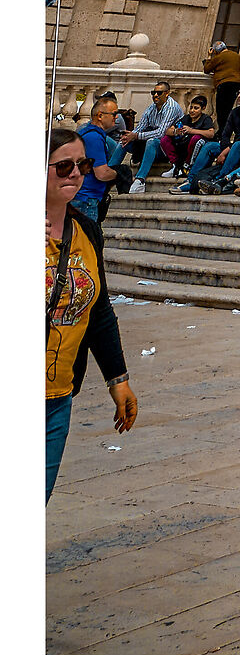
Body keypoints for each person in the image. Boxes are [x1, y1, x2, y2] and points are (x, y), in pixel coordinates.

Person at [46, 125, 137, 500]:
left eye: (81, 165)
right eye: (63, 167)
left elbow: (98, 310)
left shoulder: (85, 229)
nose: (77, 174)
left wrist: (118, 378)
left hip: (57, 396)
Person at [186, 84, 240, 192]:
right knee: (210, 146)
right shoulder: (235, 112)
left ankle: (219, 179)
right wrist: (225, 147)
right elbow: (225, 133)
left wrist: (225, 151)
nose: (239, 96)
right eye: (238, 93)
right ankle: (191, 180)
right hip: (233, 146)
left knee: (238, 145)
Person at [120, 83, 184, 191]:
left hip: (168, 147)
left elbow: (161, 133)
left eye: (159, 93)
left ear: (167, 93)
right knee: (123, 141)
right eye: (153, 93)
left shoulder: (171, 107)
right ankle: (109, 172)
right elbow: (141, 126)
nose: (155, 95)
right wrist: (130, 136)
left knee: (152, 141)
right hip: (151, 146)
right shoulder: (151, 108)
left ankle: (140, 179)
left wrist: (136, 136)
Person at [149, 92, 216, 183]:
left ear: (203, 108)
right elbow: (168, 131)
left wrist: (191, 131)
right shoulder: (185, 118)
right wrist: (176, 132)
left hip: (195, 150)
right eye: (191, 107)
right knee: (165, 139)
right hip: (182, 145)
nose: (192, 110)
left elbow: (211, 133)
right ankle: (175, 166)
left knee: (196, 138)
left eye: (196, 108)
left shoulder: (205, 119)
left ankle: (187, 166)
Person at [202, 37, 240, 130]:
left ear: (216, 50)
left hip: (224, 84)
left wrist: (209, 56)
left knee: (221, 111)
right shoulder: (236, 55)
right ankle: (227, 131)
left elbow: (207, 69)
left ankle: (222, 132)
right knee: (229, 109)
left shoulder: (219, 57)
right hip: (236, 84)